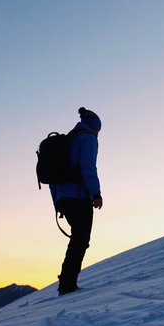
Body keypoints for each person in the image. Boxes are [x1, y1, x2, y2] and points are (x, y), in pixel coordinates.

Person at [51, 107, 103, 295]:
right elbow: (89, 167)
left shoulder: (66, 141)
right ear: (94, 127)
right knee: (80, 239)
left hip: (64, 197)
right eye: (99, 130)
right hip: (80, 197)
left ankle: (66, 281)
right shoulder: (88, 138)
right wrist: (96, 194)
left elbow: (53, 179)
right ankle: (67, 284)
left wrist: (57, 201)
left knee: (78, 239)